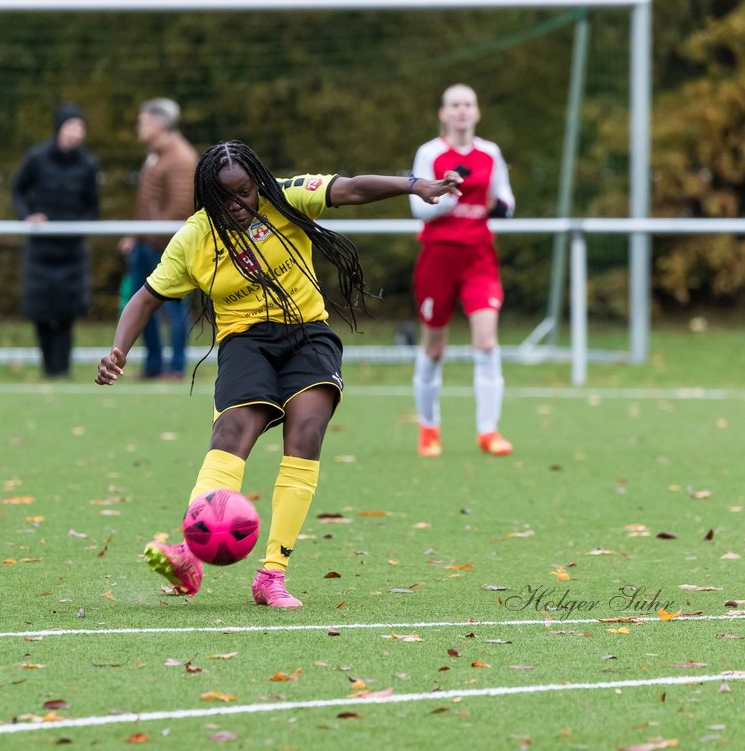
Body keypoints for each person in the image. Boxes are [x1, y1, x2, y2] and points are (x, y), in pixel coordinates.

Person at [96, 141, 460, 607]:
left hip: (307, 335)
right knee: (232, 430)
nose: (238, 205)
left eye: (245, 192)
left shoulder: (284, 197)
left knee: (307, 429)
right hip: (245, 342)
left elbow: (348, 189)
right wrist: (118, 350)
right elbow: (146, 297)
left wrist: (415, 185)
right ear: (207, 196)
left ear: (257, 184)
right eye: (224, 198)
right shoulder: (195, 238)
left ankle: (271, 575)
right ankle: (189, 553)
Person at [409, 83, 516, 458]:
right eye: (454, 105)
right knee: (434, 349)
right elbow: (419, 209)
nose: (461, 111)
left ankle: (488, 432)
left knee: (486, 342)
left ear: (477, 111)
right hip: (438, 258)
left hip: (479, 258)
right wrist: (446, 195)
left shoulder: (490, 153)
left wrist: (501, 208)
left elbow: (505, 200)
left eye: (467, 104)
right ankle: (429, 430)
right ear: (443, 113)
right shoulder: (430, 153)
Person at [12, 102, 100, 378]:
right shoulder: (37, 158)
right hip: (41, 251)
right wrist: (28, 216)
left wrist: (79, 227)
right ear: (58, 129)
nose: (75, 133)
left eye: (80, 128)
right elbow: (17, 189)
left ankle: (62, 370)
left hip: (71, 252)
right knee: (41, 312)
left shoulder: (88, 165)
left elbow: (92, 207)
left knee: (66, 313)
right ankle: (47, 368)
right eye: (71, 127)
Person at [117, 98, 199, 380]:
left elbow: (180, 208)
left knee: (174, 309)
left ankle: (176, 367)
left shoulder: (181, 158)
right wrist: (136, 235)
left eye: (143, 121)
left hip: (167, 247)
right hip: (146, 243)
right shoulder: (154, 155)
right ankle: (153, 364)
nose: (139, 126)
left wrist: (145, 234)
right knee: (141, 305)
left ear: (159, 124)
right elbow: (148, 203)